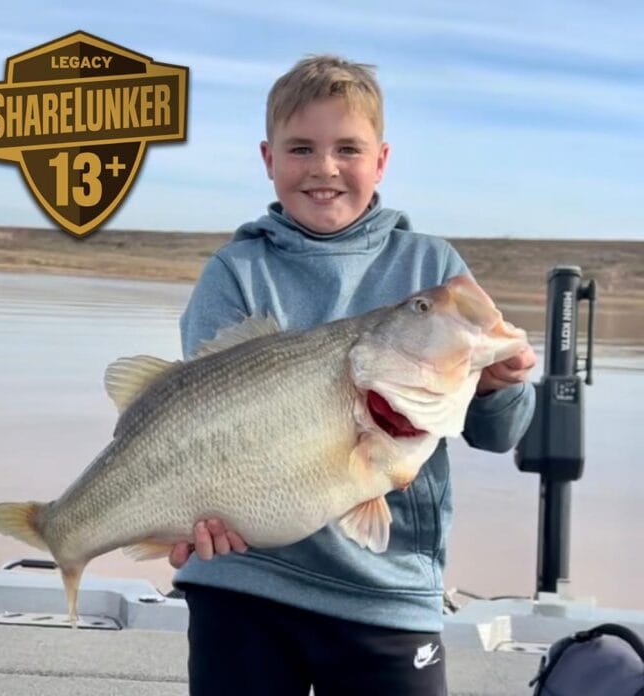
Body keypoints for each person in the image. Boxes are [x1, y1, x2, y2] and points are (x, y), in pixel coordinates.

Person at [170, 55, 536, 696]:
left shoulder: (434, 268)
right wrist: (189, 513)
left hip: (387, 596)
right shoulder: (234, 272)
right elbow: (196, 424)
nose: (324, 168)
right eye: (301, 148)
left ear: (382, 160)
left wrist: (503, 385)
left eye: (348, 148)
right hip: (243, 582)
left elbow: (497, 434)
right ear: (268, 158)